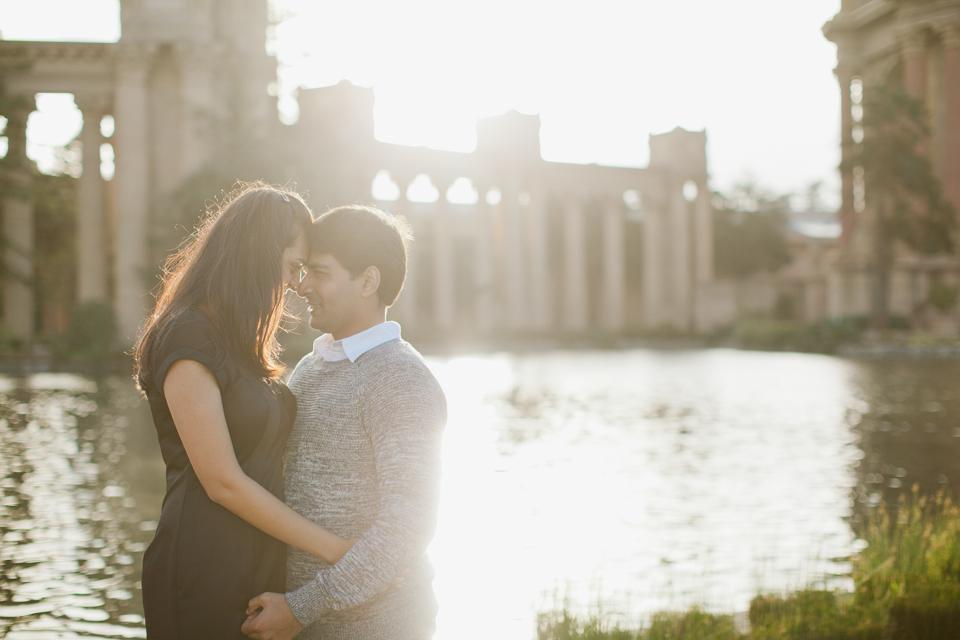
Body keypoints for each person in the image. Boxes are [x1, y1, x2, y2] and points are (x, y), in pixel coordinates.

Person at [135, 184, 357, 640]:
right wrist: (338, 550)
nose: (297, 284)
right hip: (203, 565)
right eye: (293, 266)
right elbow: (222, 482)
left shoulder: (238, 343)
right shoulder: (187, 337)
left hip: (261, 562)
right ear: (258, 254)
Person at [241, 205, 447, 640]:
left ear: (368, 282)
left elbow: (408, 525)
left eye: (320, 273)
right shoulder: (311, 368)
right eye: (303, 271)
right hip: (306, 625)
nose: (302, 286)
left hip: (378, 628)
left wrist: (301, 607)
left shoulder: (401, 379)